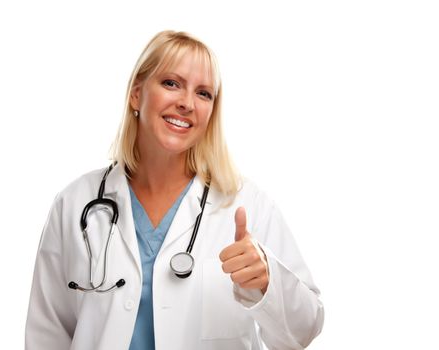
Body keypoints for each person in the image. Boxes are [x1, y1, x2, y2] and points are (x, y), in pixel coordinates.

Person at [25, 30, 324, 350]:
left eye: (204, 93)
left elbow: (304, 329)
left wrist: (267, 283)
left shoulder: (246, 204)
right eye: (171, 83)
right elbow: (47, 335)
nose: (186, 103)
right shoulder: (75, 204)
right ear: (136, 94)